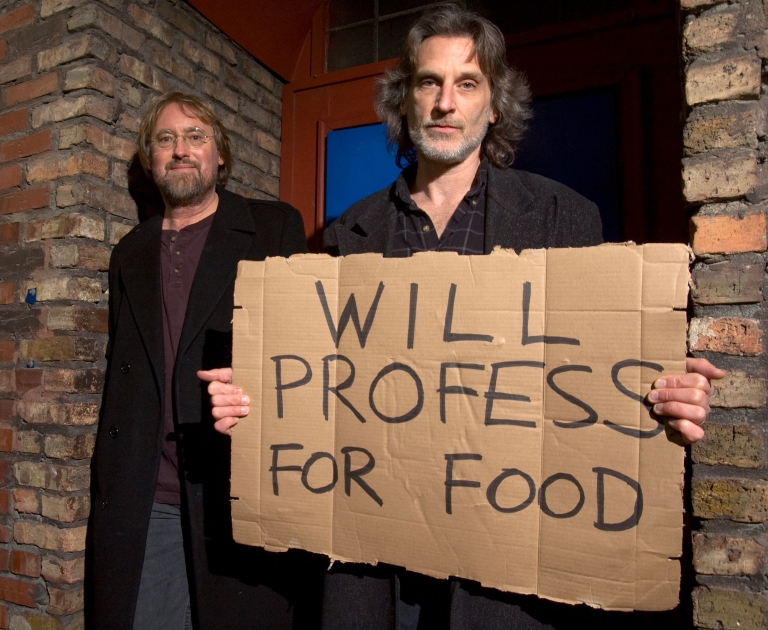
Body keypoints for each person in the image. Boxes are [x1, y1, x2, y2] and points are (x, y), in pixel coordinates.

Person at [201, 5, 725, 629]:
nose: (446, 102)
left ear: (494, 105)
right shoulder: (348, 234)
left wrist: (663, 395)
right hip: (375, 566)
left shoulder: (564, 219)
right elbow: (323, 390)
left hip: (502, 572)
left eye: (467, 83)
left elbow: (590, 382)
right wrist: (256, 407)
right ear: (406, 100)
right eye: (429, 82)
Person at [87, 91, 323, 630]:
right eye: (165, 139)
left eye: (196, 136)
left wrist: (261, 384)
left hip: (239, 490)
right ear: (151, 160)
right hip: (148, 500)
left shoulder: (272, 228)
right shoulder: (130, 251)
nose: (181, 150)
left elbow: (310, 353)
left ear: (220, 156)